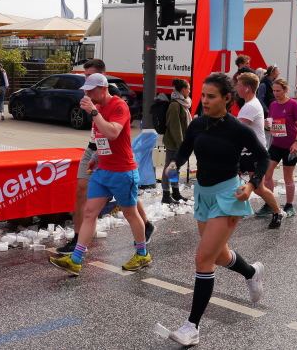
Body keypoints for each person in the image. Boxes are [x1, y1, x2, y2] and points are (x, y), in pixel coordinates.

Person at [163, 73, 268, 346]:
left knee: (203, 258)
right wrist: (174, 164)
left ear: (227, 98)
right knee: (219, 256)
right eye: (203, 95)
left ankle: (192, 327)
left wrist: (251, 185)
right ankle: (251, 272)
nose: (205, 101)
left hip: (228, 196)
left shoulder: (239, 129)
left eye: (211, 96)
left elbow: (263, 157)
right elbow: (183, 151)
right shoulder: (198, 124)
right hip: (204, 195)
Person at [49, 73, 151, 275]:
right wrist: (96, 156)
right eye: (85, 90)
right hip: (102, 170)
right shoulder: (99, 108)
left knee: (130, 214)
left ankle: (142, 254)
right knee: (89, 212)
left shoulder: (119, 106)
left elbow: (112, 132)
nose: (86, 94)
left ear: (103, 89)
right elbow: (101, 138)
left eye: (90, 90)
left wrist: (94, 112)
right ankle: (76, 260)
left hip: (122, 171)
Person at [235, 72, 285, 229]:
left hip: (255, 153)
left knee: (258, 188)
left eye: (239, 85)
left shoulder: (250, 106)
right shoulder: (249, 104)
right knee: (231, 180)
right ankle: (232, 212)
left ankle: (278, 211)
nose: (236, 87)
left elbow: (235, 131)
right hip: (246, 151)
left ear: (247, 88)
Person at [261, 77, 297, 218]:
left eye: (278, 91)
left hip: (290, 145)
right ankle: (270, 204)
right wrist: (267, 125)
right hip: (276, 144)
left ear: (285, 90)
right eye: (274, 91)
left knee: (287, 176)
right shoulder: (273, 105)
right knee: (267, 173)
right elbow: (273, 124)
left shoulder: (293, 104)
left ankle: (289, 205)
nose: (275, 93)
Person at [161, 77, 192, 204]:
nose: (189, 91)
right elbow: (175, 126)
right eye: (188, 89)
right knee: (169, 168)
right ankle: (165, 194)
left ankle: (175, 192)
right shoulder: (175, 104)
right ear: (183, 89)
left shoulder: (183, 103)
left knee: (175, 168)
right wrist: (181, 145)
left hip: (180, 142)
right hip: (173, 143)